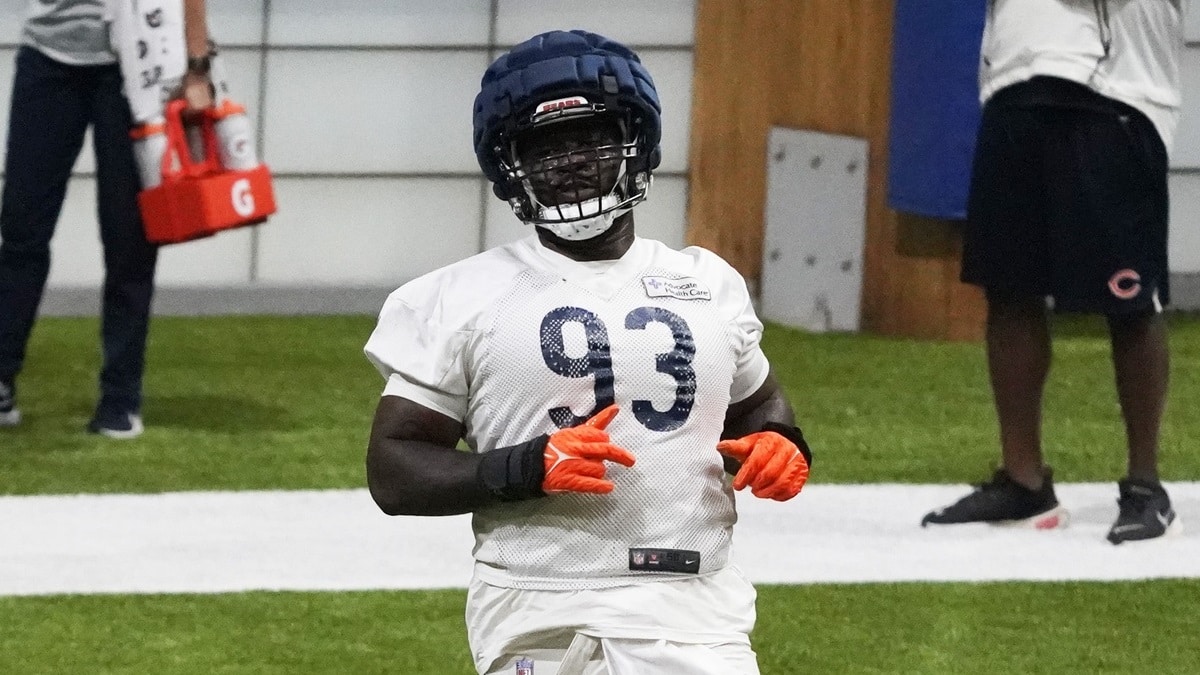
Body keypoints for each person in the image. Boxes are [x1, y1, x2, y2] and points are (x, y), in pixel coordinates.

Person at [364, 29, 813, 675]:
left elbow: (759, 399)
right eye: (543, 147)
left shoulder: (708, 282)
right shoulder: (460, 296)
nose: (569, 161)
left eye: (589, 138)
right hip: (538, 601)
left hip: (692, 601)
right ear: (508, 165)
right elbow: (394, 469)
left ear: (636, 144)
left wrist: (782, 440)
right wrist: (526, 467)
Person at [922, 0, 1183, 544]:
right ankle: (1023, 480)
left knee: (1130, 299)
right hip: (1014, 81)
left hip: (1116, 91)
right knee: (1009, 290)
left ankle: (1145, 485)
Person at [0, 0, 213, 437]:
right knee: (22, 231)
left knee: (130, 239)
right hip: (47, 55)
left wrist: (196, 66)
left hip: (139, 62)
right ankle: (1, 378)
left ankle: (120, 397)